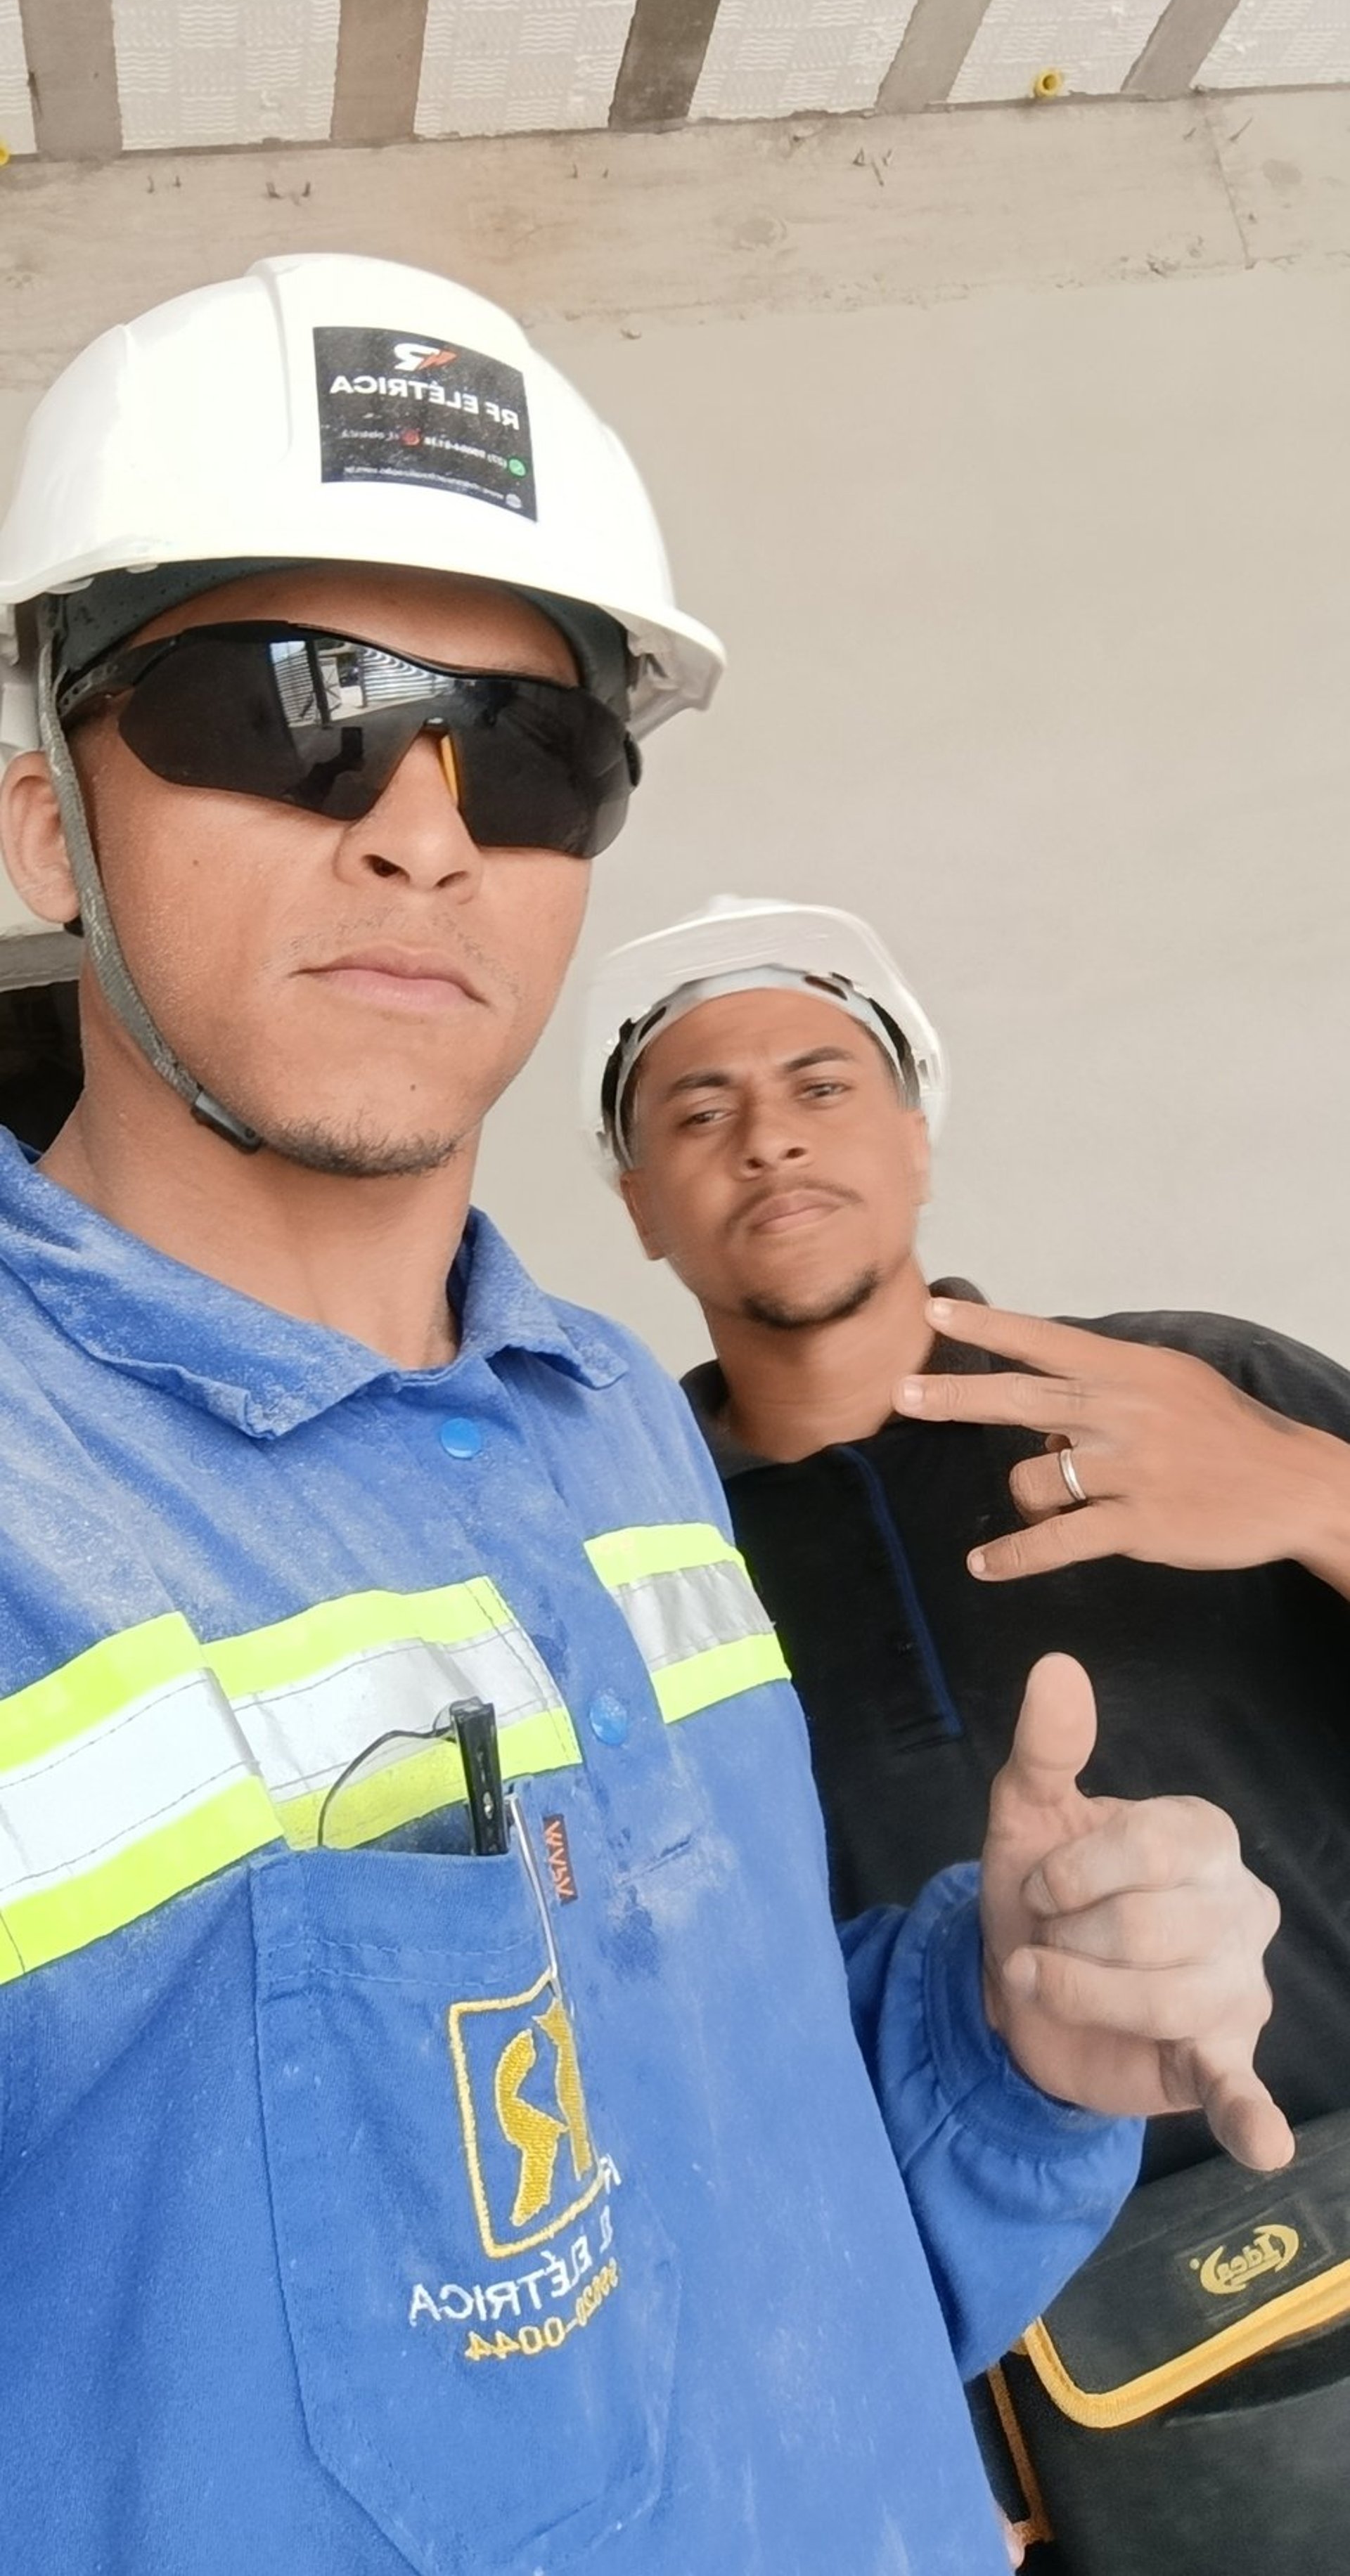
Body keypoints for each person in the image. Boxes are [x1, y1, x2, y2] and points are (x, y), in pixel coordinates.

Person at [0, 273, 1285, 2576]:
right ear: (43, 830)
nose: (423, 834)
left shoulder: (602, 1420)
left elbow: (727, 2163)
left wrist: (1005, 2028)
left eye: (525, 748)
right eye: (288, 708)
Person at [585, 894, 1350, 2176]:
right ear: (642, 1208)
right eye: (702, 1114)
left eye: (821, 1087)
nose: (770, 1138)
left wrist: (1321, 1494)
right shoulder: (616, 1561)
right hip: (985, 2289)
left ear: (916, 1140)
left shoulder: (1196, 1384)